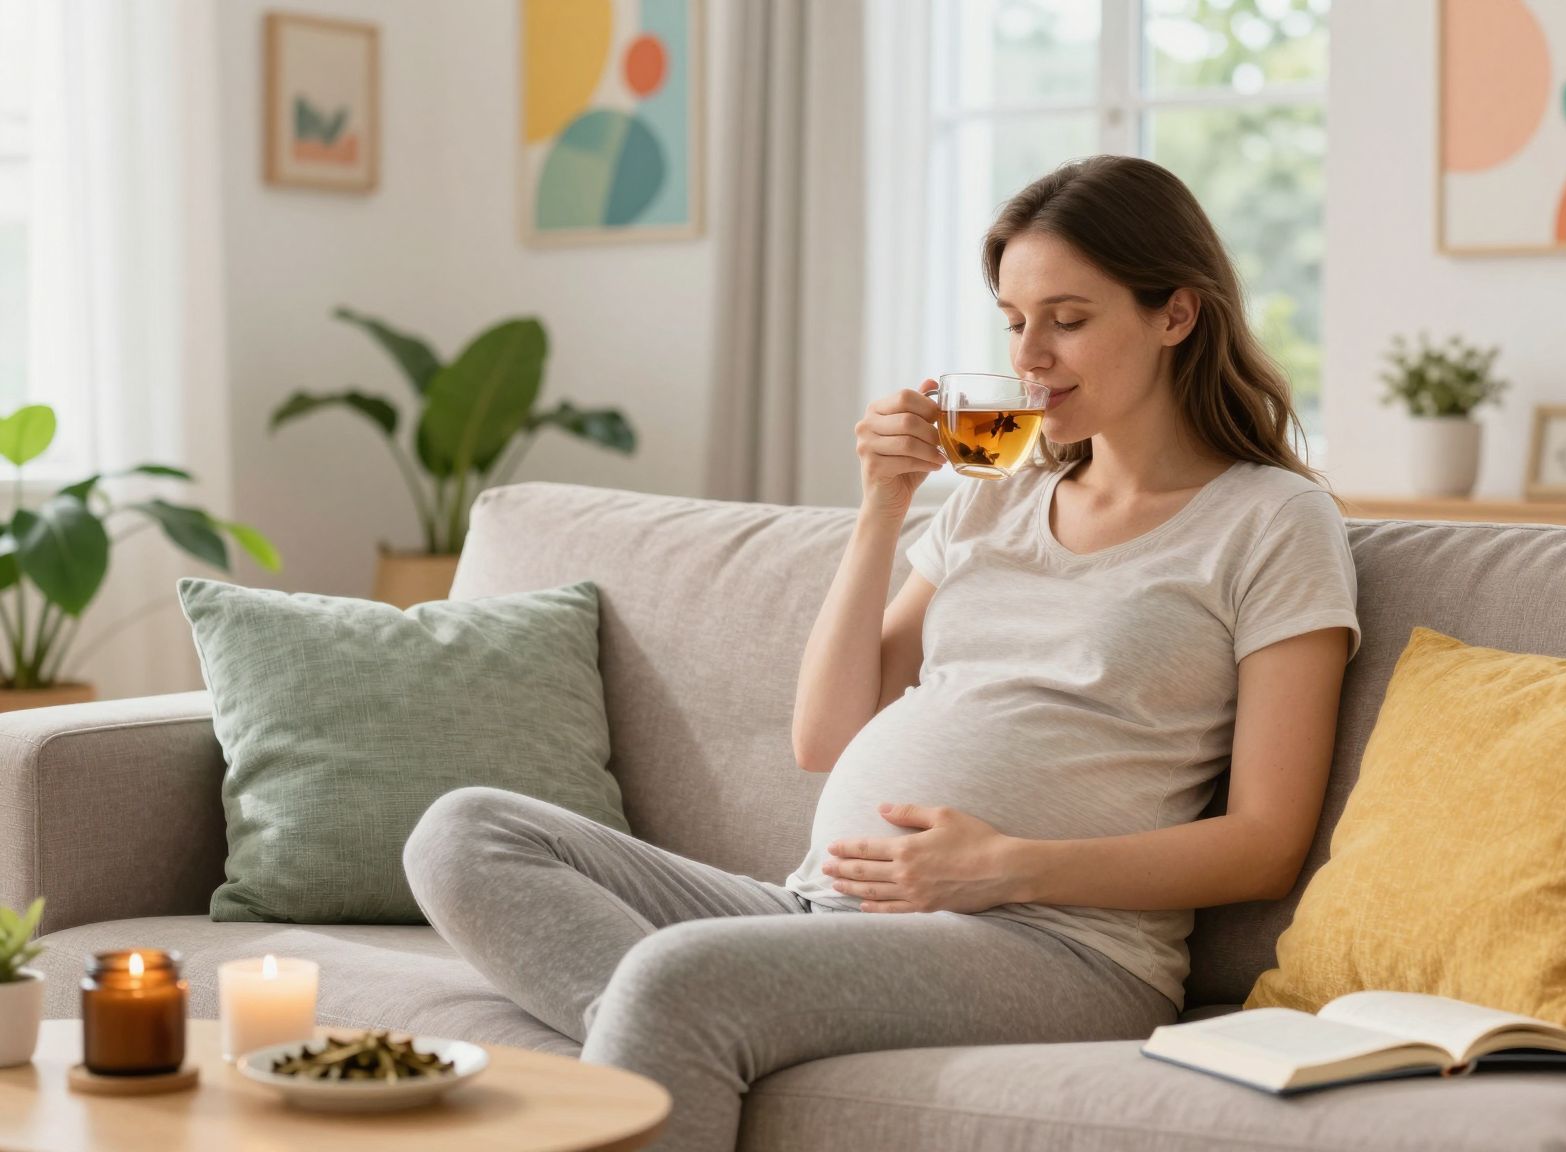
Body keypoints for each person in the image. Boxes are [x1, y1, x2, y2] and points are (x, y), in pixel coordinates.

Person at [403, 154, 1361, 1152]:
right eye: (1013, 321)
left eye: (1068, 319)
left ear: (1176, 315)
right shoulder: (995, 497)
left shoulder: (1270, 520)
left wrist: (1007, 869)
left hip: (1058, 947)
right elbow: (824, 735)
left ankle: (684, 1029)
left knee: (676, 979)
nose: (1030, 355)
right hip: (815, 909)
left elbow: (1265, 843)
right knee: (464, 833)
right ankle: (687, 1039)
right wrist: (882, 507)